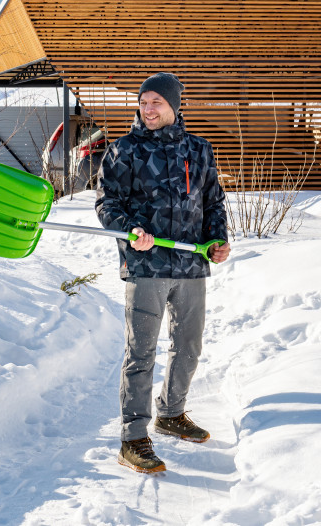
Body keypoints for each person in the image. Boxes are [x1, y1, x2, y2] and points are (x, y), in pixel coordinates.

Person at [95, 72, 230, 474]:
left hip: (190, 265)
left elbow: (214, 201)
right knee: (141, 351)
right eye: (144, 101)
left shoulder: (199, 150)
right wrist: (129, 230)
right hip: (146, 264)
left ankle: (171, 414)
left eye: (156, 101)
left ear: (174, 106)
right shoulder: (124, 151)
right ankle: (133, 438)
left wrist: (218, 240)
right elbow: (107, 204)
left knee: (189, 346)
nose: (148, 108)